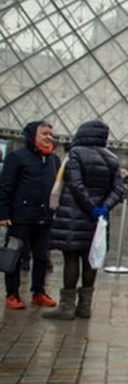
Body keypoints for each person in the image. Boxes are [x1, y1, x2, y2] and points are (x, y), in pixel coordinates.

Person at [45, 120, 124, 320]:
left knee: (71, 258)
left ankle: (66, 307)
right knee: (91, 260)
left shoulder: (76, 154)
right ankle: (85, 307)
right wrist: (104, 207)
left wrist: (90, 207)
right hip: (99, 220)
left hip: (74, 214)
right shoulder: (112, 158)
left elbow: (75, 184)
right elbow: (118, 189)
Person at [0, 121, 61, 310]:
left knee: (42, 257)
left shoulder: (53, 160)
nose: (48, 137)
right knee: (16, 256)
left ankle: (39, 292)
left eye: (50, 134)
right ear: (32, 135)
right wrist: (3, 213)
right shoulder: (17, 157)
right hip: (21, 216)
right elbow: (5, 186)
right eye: (44, 133)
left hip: (44, 216)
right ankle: (12, 294)